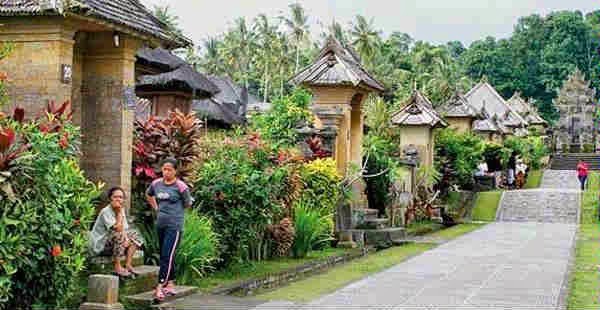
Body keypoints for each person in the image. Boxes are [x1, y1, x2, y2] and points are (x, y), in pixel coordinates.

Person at [146, 157, 193, 302]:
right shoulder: (156, 184)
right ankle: (170, 283)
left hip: (174, 227)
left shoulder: (181, 186)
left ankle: (160, 286)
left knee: (167, 255)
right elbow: (149, 194)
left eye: (169, 170)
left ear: (175, 171)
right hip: (160, 225)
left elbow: (187, 203)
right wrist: (156, 208)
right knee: (165, 255)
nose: (166, 172)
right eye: (164, 169)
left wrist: (175, 213)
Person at [89, 187, 143, 277]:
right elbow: (117, 229)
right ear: (110, 198)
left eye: (121, 197)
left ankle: (128, 264)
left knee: (136, 235)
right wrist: (118, 214)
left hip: (113, 243)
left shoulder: (121, 210)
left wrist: (126, 239)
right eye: (115, 197)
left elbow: (124, 229)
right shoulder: (106, 211)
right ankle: (117, 266)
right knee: (118, 236)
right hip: (100, 246)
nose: (118, 199)